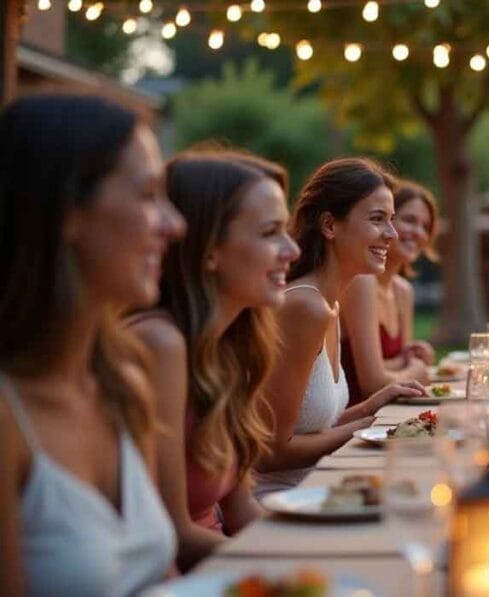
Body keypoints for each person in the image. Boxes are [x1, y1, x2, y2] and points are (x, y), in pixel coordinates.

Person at [0, 94, 184, 595]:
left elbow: (158, 579)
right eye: (148, 195)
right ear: (66, 212)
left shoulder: (122, 381)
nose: (175, 224)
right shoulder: (9, 416)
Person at [129, 151, 300, 570]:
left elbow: (240, 511)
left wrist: (309, 549)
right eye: (270, 233)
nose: (292, 250)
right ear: (209, 251)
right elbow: (174, 537)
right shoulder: (160, 344)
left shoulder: (233, 346)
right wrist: (299, 564)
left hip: (225, 567)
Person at [255, 157, 424, 496]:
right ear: (330, 226)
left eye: (391, 220)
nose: (392, 234)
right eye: (377, 220)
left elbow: (313, 425)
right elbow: (270, 452)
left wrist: (373, 404)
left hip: (325, 490)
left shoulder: (328, 304)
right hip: (281, 501)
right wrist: (368, 426)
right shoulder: (304, 307)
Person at [339, 179, 437, 406]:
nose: (418, 232)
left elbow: (401, 364)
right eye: (409, 220)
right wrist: (418, 367)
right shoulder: (361, 282)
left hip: (389, 412)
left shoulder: (403, 291)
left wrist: (413, 361)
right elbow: (372, 383)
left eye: (425, 226)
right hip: (355, 420)